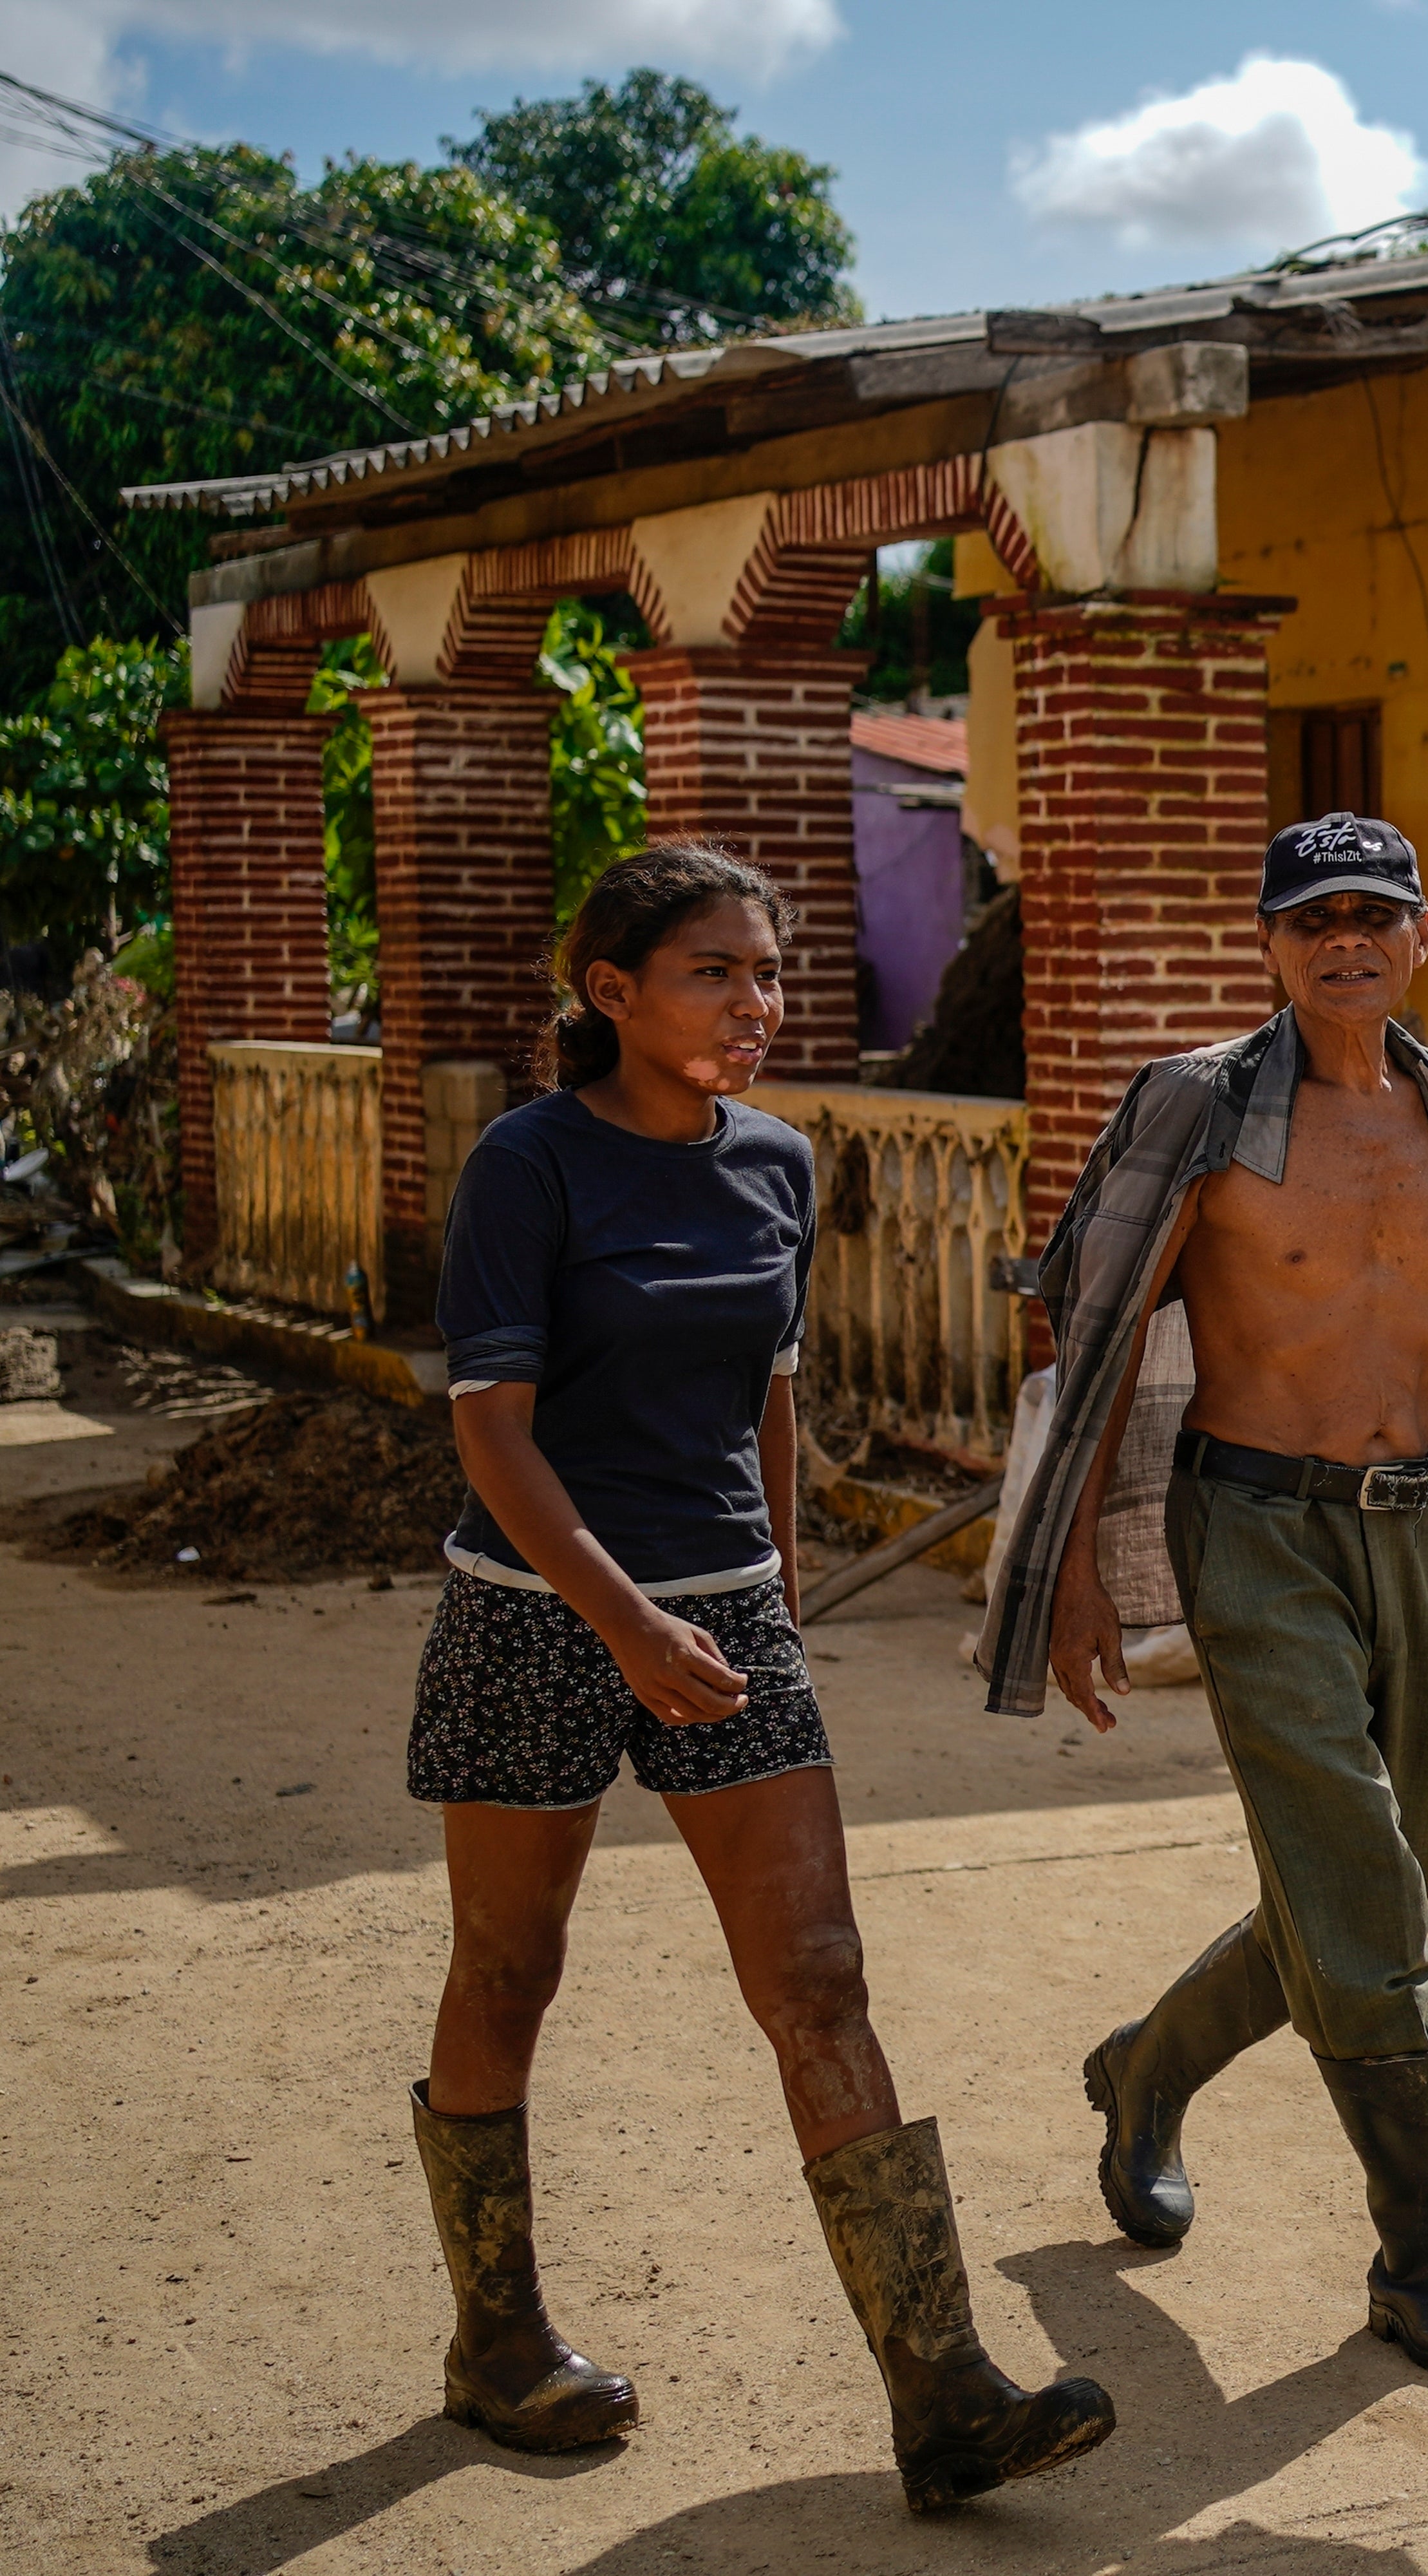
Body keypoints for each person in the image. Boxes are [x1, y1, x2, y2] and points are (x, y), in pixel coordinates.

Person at [406, 843, 1113, 2511]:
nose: (756, 1001)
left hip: (729, 1618)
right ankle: (496, 2342)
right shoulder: (529, 1169)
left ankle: (940, 2390)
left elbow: (769, 1397)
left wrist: (773, 1596)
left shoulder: (777, 1165)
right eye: (714, 970)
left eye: (770, 971)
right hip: (532, 1612)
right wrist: (625, 1628)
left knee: (819, 1975)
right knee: (511, 1969)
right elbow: (491, 1433)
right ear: (613, 994)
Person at [979, 811, 1428, 2380]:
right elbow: (1103, 1331)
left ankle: (1145, 2067)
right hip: (1258, 1527)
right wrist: (1069, 1572)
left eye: (1375, 913)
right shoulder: (1199, 1105)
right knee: (1361, 1884)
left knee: (1363, 1886)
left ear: (1417, 937)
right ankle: (1424, 2255)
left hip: (1418, 1531)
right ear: (1269, 948)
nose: (1344, 938)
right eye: (1310, 916)